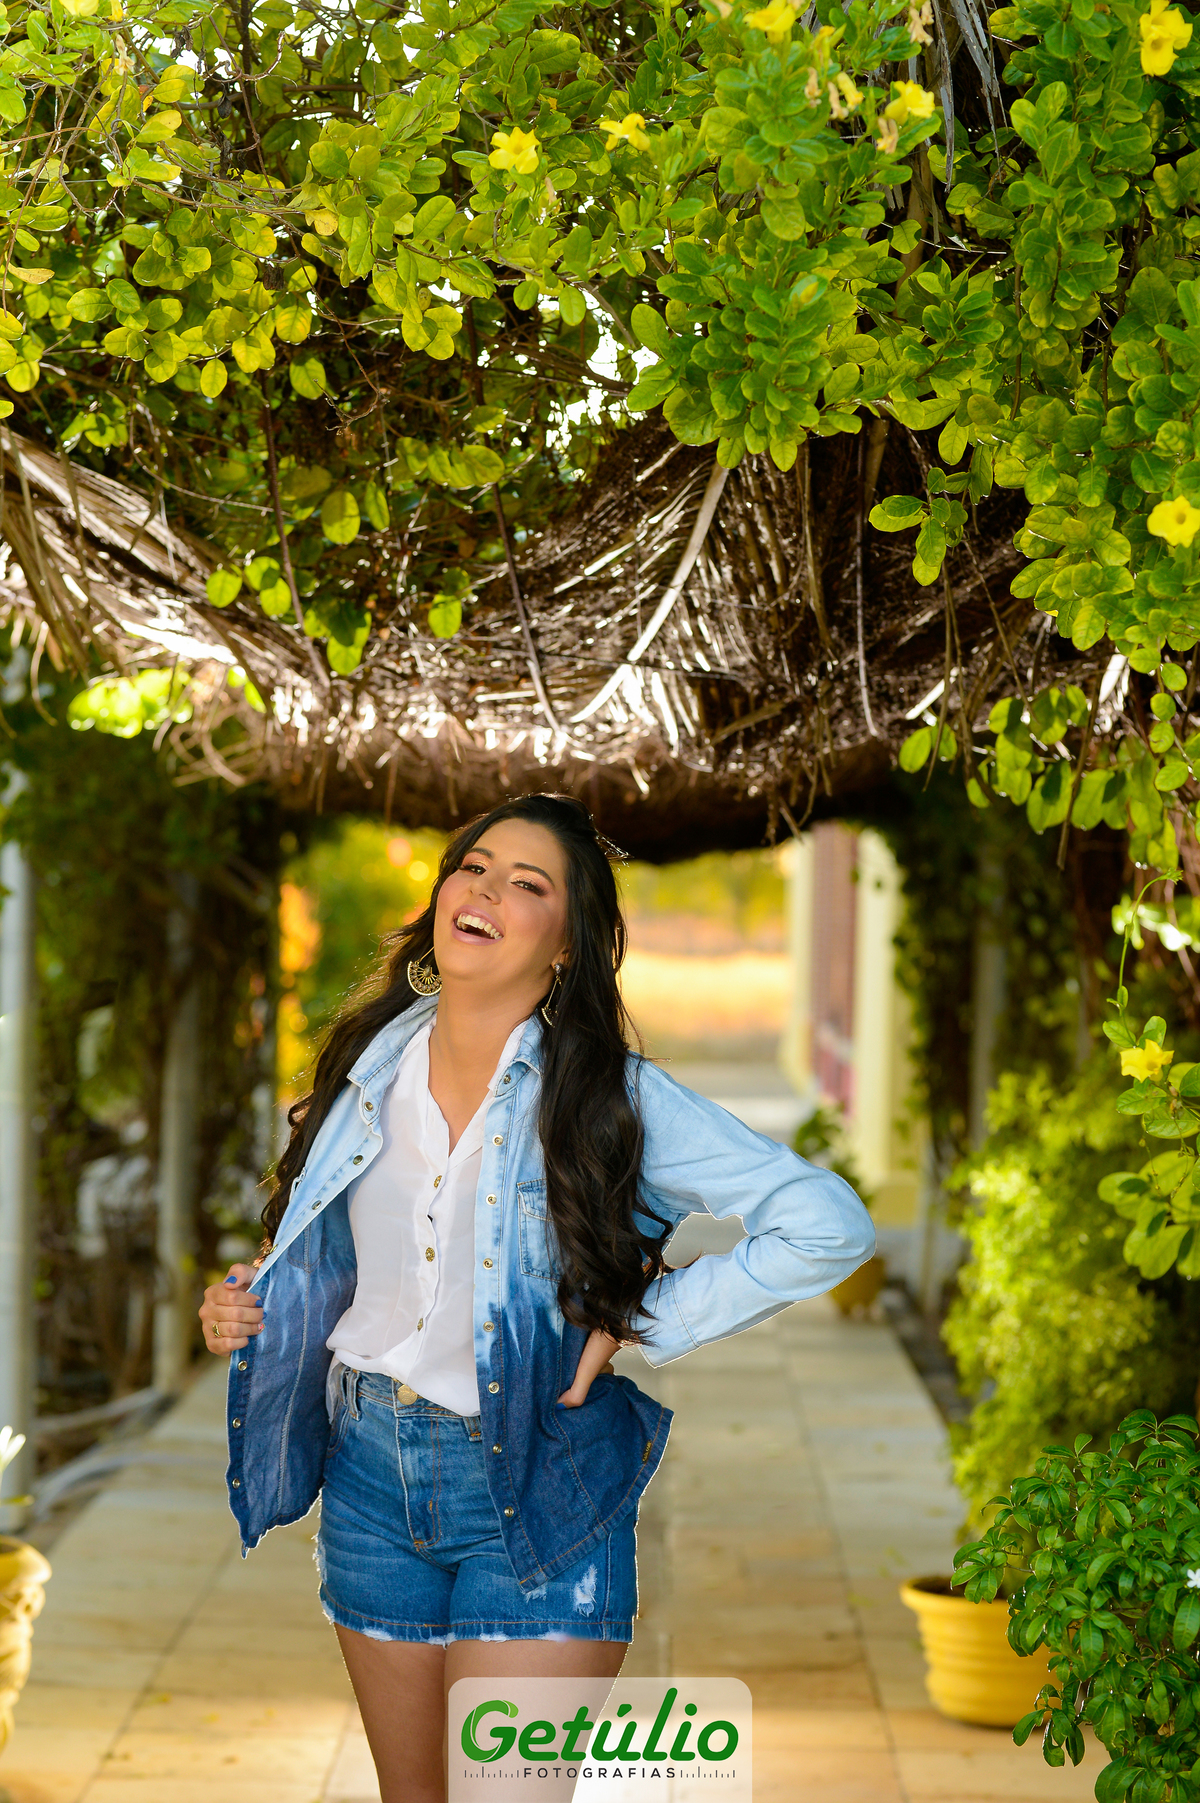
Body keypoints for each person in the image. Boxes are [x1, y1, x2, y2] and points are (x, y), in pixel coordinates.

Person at [199, 793, 873, 1803]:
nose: (485, 891)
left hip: (540, 1484)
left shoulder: (607, 1096)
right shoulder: (363, 1066)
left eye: (527, 884)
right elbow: (328, 1255)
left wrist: (651, 1319)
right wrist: (247, 1303)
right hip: (370, 1481)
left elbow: (827, 1222)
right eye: (473, 867)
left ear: (566, 944)